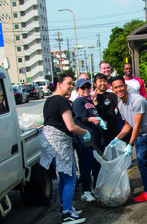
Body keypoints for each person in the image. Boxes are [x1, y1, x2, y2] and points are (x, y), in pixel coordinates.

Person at [109, 76, 147, 207]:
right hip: (140, 134)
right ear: (112, 89)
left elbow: (137, 124)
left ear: (125, 86)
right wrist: (116, 138)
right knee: (141, 163)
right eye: (115, 87)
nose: (119, 89)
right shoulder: (120, 104)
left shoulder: (137, 100)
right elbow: (128, 125)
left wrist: (130, 144)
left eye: (120, 86)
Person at [39, 74, 88, 224]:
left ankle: (65, 208)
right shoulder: (62, 101)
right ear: (59, 84)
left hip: (50, 142)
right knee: (70, 178)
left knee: (63, 177)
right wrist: (86, 132)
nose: (71, 86)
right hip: (60, 143)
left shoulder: (49, 100)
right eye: (68, 83)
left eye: (72, 83)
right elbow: (71, 126)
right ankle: (66, 214)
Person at [72, 79, 107, 203]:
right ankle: (85, 191)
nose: (86, 89)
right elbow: (81, 117)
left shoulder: (89, 101)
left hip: (97, 138)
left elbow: (97, 114)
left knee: (98, 164)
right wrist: (93, 119)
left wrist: (102, 121)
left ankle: (95, 187)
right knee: (88, 165)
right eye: (83, 88)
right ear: (77, 90)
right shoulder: (78, 102)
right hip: (87, 139)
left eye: (88, 87)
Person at [90, 73, 121, 144]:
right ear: (95, 83)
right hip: (98, 131)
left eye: (104, 81)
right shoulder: (91, 98)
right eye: (100, 81)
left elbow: (118, 107)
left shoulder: (112, 95)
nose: (103, 83)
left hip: (112, 129)